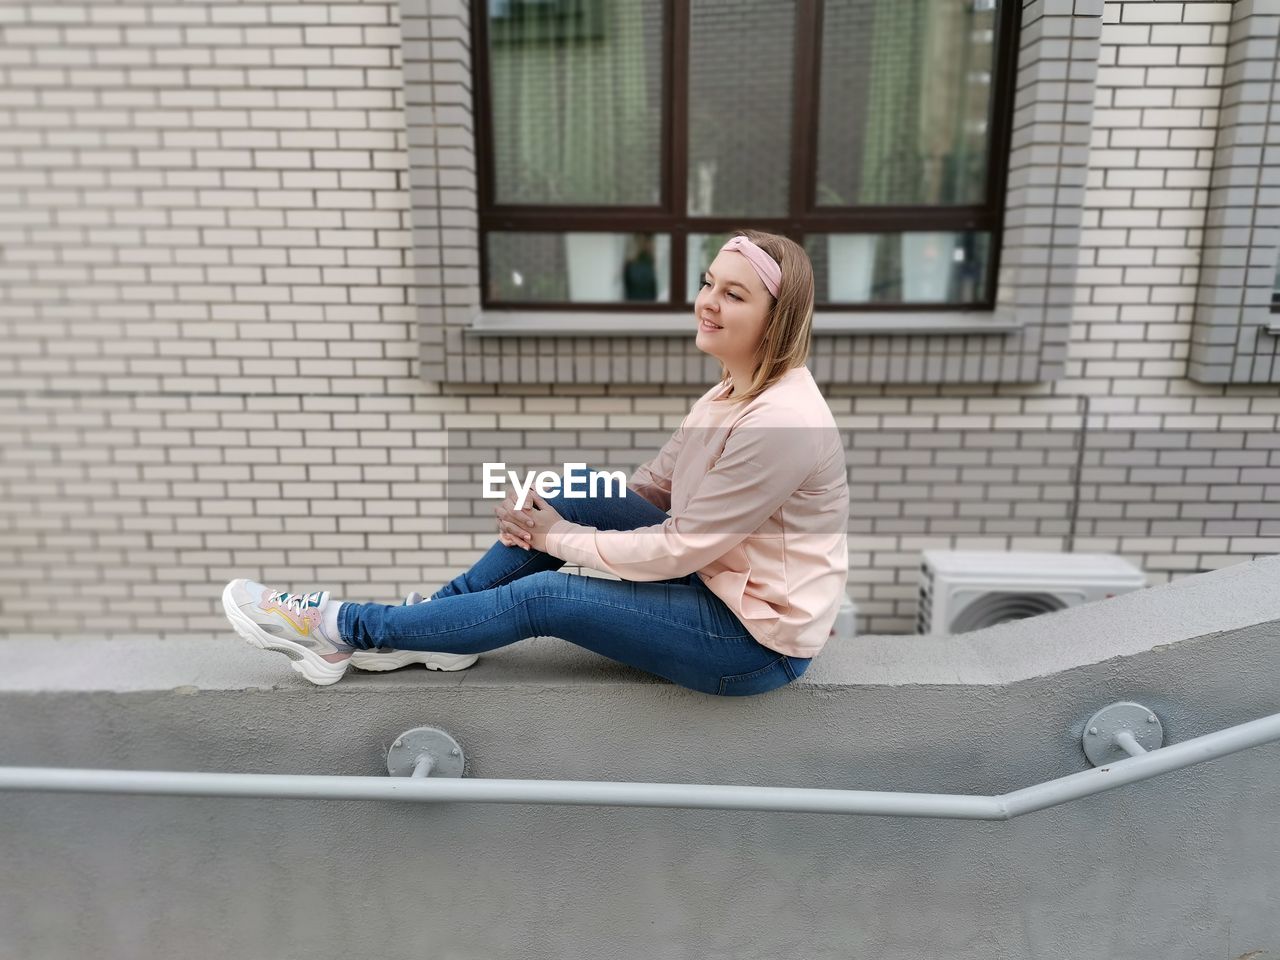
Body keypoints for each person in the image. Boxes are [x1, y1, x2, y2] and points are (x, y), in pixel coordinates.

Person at [221, 229, 850, 696]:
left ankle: (341, 626)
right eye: (709, 282)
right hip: (711, 582)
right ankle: (436, 631)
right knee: (574, 487)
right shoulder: (731, 390)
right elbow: (652, 491)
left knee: (546, 595)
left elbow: (682, 548)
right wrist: (549, 514)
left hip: (752, 641)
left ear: (777, 319)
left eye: (733, 293)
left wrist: (563, 541)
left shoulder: (781, 423)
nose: (707, 300)